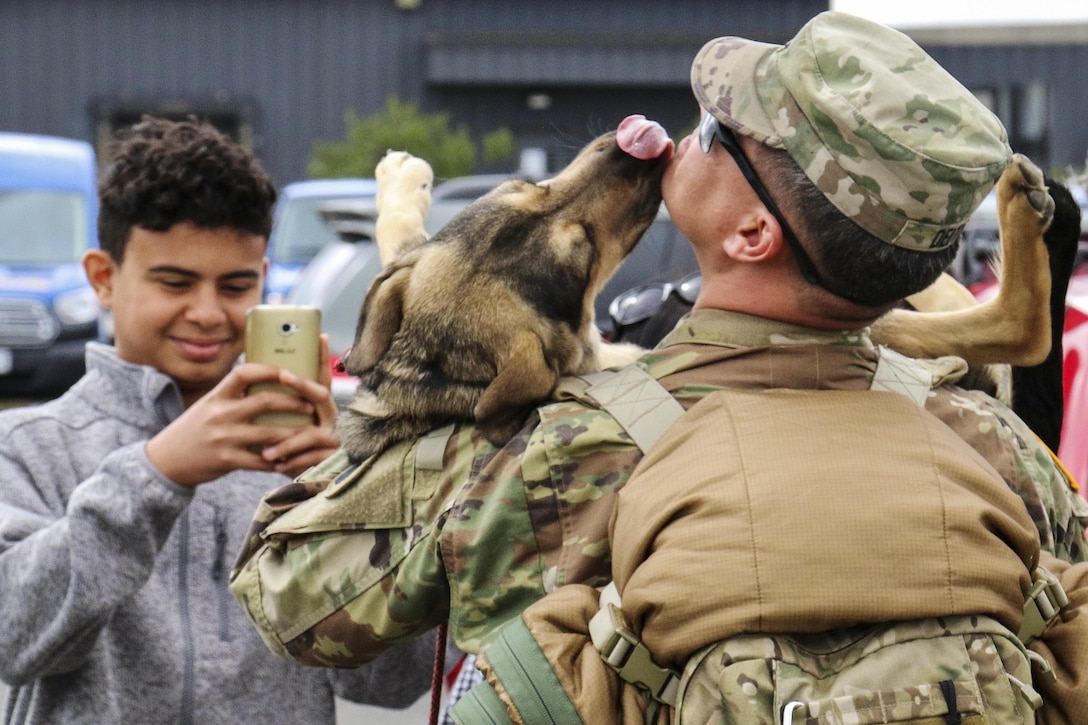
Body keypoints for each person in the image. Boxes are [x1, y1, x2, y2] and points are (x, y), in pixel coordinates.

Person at [231, 11, 1088, 722]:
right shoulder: (988, 443)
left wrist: (403, 406)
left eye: (717, 131)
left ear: (752, 235)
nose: (688, 130)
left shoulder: (552, 449)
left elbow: (290, 601)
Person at [0, 117, 433, 724]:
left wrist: (351, 506)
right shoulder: (27, 446)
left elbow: (394, 684)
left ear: (263, 277)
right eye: (174, 282)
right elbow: (12, 641)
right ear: (103, 277)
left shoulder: (326, 451)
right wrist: (158, 473)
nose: (206, 312)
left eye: (234, 285)